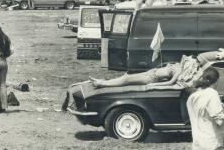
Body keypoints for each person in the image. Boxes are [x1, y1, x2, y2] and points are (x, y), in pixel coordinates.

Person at [90, 49, 224, 88]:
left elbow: (170, 83)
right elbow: (202, 58)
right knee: (126, 78)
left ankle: (101, 83)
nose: (188, 59)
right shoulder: (182, 66)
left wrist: (154, 85)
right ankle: (102, 82)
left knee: (126, 79)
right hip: (151, 73)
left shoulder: (181, 70)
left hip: (151, 78)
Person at [187, 67, 224, 150]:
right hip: (212, 142)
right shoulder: (212, 94)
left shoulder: (192, 97)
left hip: (197, 143)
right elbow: (220, 121)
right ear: (217, 80)